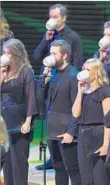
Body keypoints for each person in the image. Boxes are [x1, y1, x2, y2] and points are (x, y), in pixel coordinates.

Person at [38, 40, 81, 185]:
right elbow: (41, 98)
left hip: (66, 131)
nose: (50, 56)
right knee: (58, 167)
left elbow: (78, 107)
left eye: (54, 53)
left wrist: (71, 131)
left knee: (73, 169)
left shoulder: (74, 75)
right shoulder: (52, 73)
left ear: (64, 55)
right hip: (52, 128)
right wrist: (44, 80)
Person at [1, 38, 38, 185]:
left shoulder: (25, 71)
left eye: (8, 53)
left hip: (20, 122)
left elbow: (31, 97)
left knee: (19, 162)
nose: (5, 56)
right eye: (4, 52)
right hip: (4, 123)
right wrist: (2, 76)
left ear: (16, 55)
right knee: (7, 162)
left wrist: (28, 120)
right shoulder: (3, 71)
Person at [72, 58, 110, 185]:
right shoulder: (83, 92)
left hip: (98, 134)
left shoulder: (104, 92)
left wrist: (106, 145)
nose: (84, 72)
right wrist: (79, 92)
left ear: (96, 73)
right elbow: (75, 114)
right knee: (86, 175)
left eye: (88, 70)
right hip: (83, 134)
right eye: (83, 69)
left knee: (99, 175)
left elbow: (109, 120)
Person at [34, 4, 84, 70]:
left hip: (64, 76)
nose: (52, 19)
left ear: (64, 18)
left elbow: (77, 63)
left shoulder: (73, 37)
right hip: (48, 74)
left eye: (55, 17)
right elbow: (37, 56)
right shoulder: (48, 34)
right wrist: (45, 40)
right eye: (50, 17)